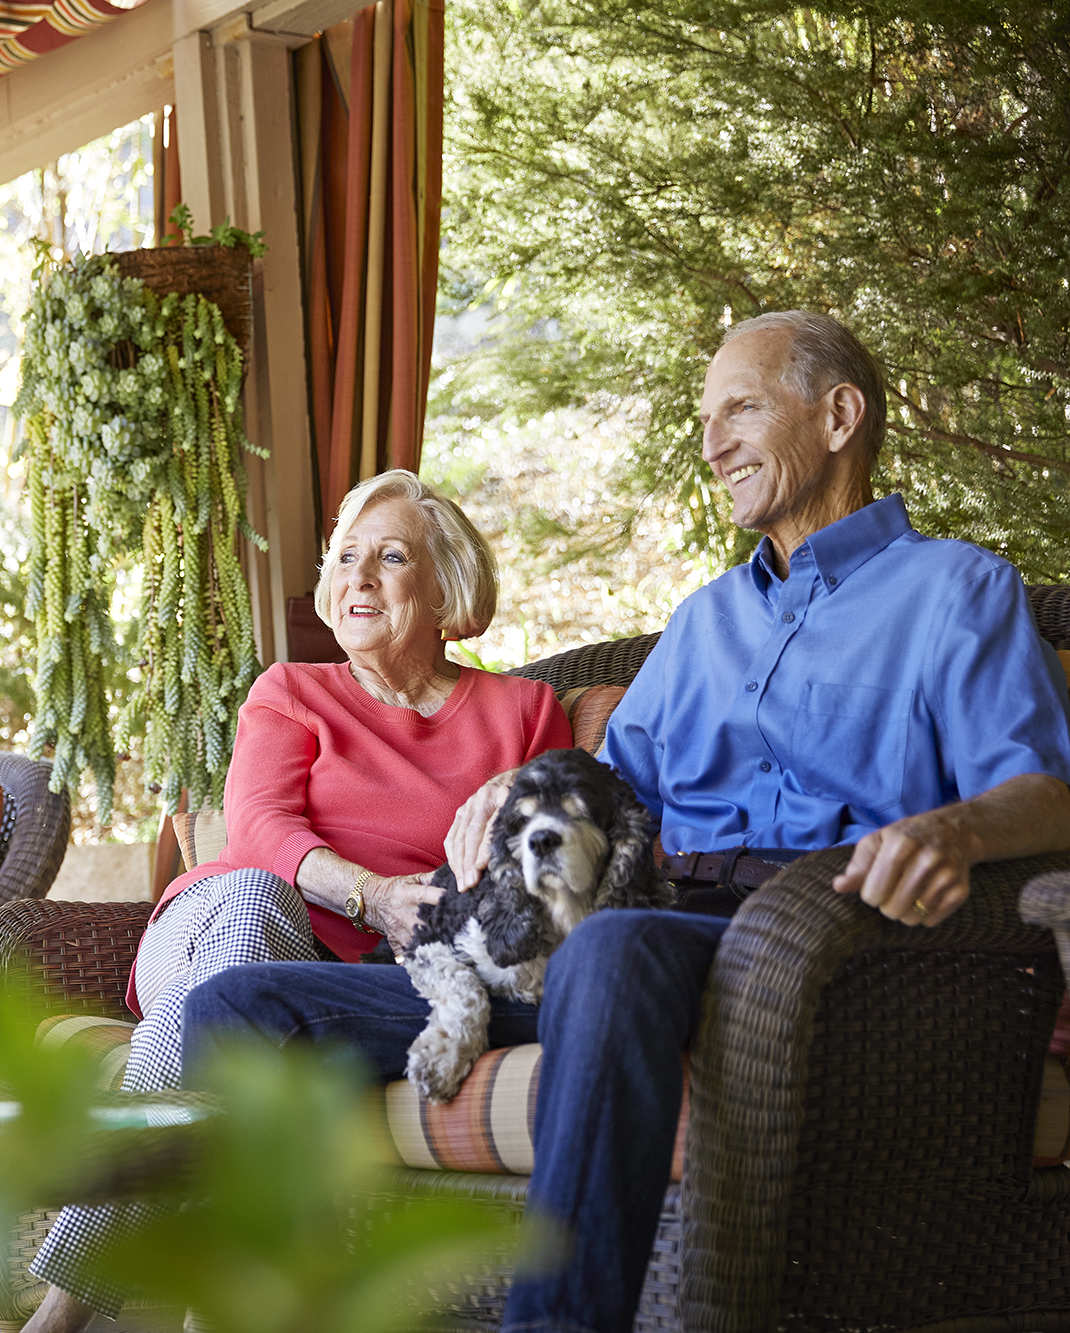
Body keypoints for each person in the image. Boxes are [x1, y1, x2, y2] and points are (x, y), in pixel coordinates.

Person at [184, 310, 1070, 1332]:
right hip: (645, 941)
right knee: (237, 1010)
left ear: (836, 416)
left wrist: (951, 832)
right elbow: (605, 782)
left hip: (823, 941)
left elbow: (1046, 790)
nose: (711, 442)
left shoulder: (956, 591)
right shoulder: (703, 622)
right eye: (703, 417)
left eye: (739, 408)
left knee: (610, 946)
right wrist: (513, 794)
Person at [20, 470, 574, 1333]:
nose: (357, 577)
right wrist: (373, 894)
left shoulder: (525, 711)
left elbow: (536, 858)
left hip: (356, 981)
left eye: (390, 556)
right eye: (346, 556)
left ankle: (135, 1303)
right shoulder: (293, 690)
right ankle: (105, 1307)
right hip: (222, 922)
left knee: (236, 1014)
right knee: (249, 916)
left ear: (445, 586)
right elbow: (256, 829)